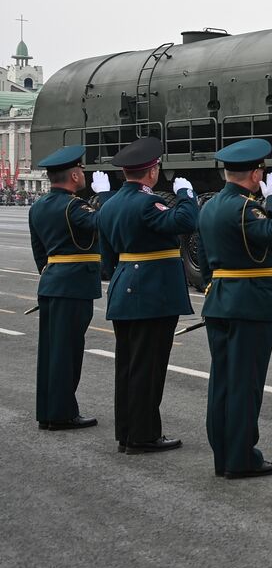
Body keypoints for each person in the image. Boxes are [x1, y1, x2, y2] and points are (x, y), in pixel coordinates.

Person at [195, 138, 272, 478]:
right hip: (249, 303)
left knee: (222, 382)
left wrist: (213, 286)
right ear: (255, 174)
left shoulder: (208, 207)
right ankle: (241, 459)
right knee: (245, 385)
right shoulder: (246, 209)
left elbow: (205, 260)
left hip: (220, 299)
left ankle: (223, 455)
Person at [97, 136, 199, 454]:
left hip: (125, 289)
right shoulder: (146, 203)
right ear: (152, 172)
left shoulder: (109, 203)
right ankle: (143, 435)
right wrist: (185, 194)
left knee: (129, 366)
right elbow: (185, 221)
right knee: (148, 367)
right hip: (151, 294)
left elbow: (106, 259)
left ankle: (127, 432)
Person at [29, 146, 109, 431]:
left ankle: (49, 411)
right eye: (82, 171)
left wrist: (53, 275)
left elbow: (40, 252)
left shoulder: (38, 206)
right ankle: (63, 414)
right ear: (74, 175)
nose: (84, 174)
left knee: (51, 351)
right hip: (74, 285)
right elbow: (104, 222)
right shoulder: (74, 206)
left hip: (52, 282)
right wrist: (104, 196)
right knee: (68, 351)